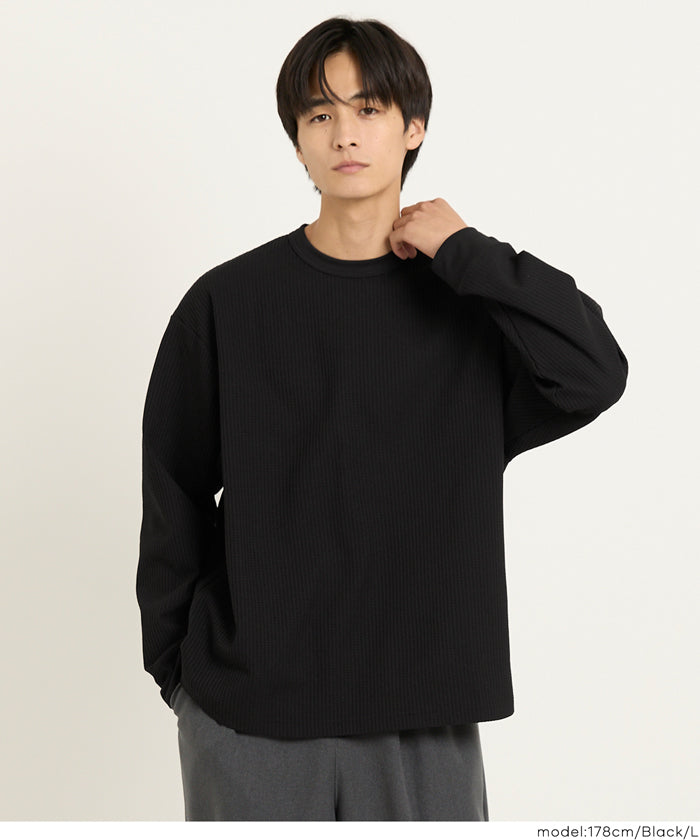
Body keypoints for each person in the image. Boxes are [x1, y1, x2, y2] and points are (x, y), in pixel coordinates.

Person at [136, 16, 629, 821]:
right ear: (298, 143)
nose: (345, 134)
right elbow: (174, 487)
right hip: (249, 715)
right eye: (319, 114)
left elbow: (594, 372)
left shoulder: (469, 307)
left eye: (368, 109)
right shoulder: (230, 302)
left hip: (424, 717)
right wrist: (179, 672)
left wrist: (466, 249)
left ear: (413, 128)